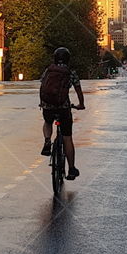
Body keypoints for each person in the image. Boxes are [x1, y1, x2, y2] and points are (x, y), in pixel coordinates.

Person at [39, 47, 85, 180]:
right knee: (67, 137)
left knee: (48, 122)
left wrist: (43, 103)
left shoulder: (48, 70)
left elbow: (43, 87)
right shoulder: (71, 73)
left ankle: (47, 141)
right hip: (63, 108)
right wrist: (80, 105)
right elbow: (78, 91)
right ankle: (71, 169)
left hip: (47, 106)